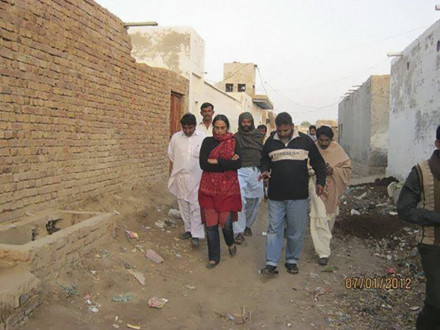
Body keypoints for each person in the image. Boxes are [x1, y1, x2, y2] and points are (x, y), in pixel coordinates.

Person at [258, 112, 326, 275]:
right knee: (274, 229)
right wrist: (265, 170)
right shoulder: (270, 142)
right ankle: (271, 263)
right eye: (279, 131)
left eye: (285, 131)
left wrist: (320, 182)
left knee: (296, 230)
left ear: (292, 126)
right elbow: (264, 160)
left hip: (299, 195)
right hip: (276, 194)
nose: (282, 134)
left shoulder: (305, 140)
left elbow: (319, 163)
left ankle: (292, 260)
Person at [397, 125, 440, 329]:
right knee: (436, 301)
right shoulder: (421, 172)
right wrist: (436, 218)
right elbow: (404, 209)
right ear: (437, 144)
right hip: (433, 245)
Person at [198, 114, 242, 269]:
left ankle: (230, 243)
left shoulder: (234, 142)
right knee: (211, 224)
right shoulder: (207, 142)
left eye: (222, 128)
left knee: (226, 223)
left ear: (227, 128)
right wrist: (227, 163)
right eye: (216, 127)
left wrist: (217, 161)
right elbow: (203, 164)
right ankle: (213, 257)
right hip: (208, 188)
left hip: (227, 190)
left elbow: (238, 164)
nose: (219, 131)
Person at [309, 126, 352, 266]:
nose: (323, 143)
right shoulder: (313, 148)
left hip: (333, 186)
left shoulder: (337, 150)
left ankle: (323, 242)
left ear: (331, 139)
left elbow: (347, 169)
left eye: (326, 140)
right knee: (318, 216)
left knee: (330, 216)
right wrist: (315, 170)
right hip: (316, 186)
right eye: (320, 140)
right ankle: (323, 252)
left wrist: (333, 170)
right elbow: (306, 165)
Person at [168, 113, 206, 247]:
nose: (188, 131)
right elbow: (171, 155)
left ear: (195, 126)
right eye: (185, 128)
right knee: (183, 204)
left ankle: (196, 234)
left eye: (190, 128)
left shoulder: (202, 138)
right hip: (180, 176)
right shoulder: (176, 138)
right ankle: (188, 230)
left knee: (196, 205)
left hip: (197, 177)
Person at [233, 113, 264, 243]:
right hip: (240, 171)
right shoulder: (236, 137)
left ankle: (247, 225)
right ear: (240, 123)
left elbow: (263, 152)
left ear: (252, 123)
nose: (246, 125)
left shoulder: (258, 136)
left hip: (256, 171)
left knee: (254, 201)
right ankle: (238, 231)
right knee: (240, 199)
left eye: (248, 122)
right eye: (243, 122)